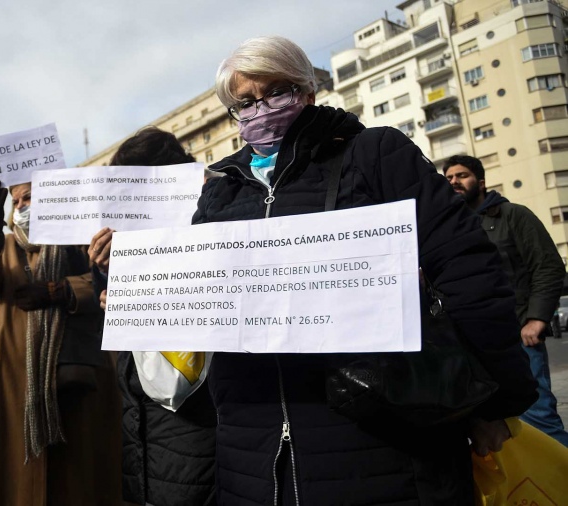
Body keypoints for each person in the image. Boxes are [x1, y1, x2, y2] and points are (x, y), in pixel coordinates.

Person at [193, 36, 537, 504]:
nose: (262, 108)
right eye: (245, 102)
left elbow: (466, 268)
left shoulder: (373, 154)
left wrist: (493, 403)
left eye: (277, 91)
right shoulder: (220, 191)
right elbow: (200, 297)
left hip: (382, 433)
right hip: (254, 450)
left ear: (307, 90)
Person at [0, 179, 122, 506]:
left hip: (76, 372)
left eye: (30, 198)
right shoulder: (3, 245)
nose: (22, 207)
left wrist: (61, 290)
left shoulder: (80, 238)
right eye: (16, 202)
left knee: (78, 476)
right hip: (12, 374)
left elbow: (112, 279)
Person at [90, 126, 217, 506]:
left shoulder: (210, 218)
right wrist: (110, 275)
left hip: (193, 412)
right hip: (139, 406)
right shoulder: (124, 236)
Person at [444, 155, 568, 447]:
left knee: (537, 416)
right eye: (448, 178)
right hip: (470, 340)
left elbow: (548, 266)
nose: (454, 182)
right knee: (489, 428)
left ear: (481, 182)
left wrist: (537, 319)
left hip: (518, 334)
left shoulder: (513, 215)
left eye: (462, 176)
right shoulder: (450, 226)